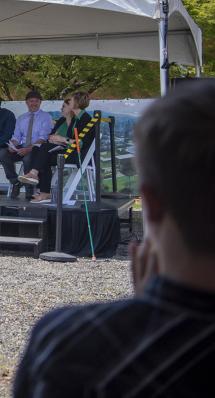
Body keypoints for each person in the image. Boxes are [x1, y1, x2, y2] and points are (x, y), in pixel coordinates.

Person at [13, 81, 215, 397]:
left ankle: (39, 184)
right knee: (43, 148)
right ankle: (38, 184)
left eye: (67, 101)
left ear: (148, 201)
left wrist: (151, 309)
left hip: (74, 154)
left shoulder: (66, 342)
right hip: (60, 148)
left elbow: (80, 144)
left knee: (46, 149)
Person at [17, 92, 92, 202]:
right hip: (68, 151)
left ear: (76, 102)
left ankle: (37, 180)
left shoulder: (85, 119)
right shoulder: (76, 119)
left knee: (43, 153)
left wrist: (62, 140)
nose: (69, 101)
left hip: (78, 155)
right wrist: (56, 140)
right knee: (39, 150)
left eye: (71, 100)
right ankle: (43, 190)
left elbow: (81, 143)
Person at [0, 91, 54, 199]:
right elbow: (16, 136)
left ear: (40, 102)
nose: (34, 103)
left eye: (37, 101)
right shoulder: (21, 118)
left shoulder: (46, 117)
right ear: (26, 102)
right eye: (31, 101)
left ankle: (29, 189)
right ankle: (16, 182)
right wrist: (13, 146)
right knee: (3, 153)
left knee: (28, 158)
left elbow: (43, 138)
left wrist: (29, 149)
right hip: (23, 146)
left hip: (37, 149)